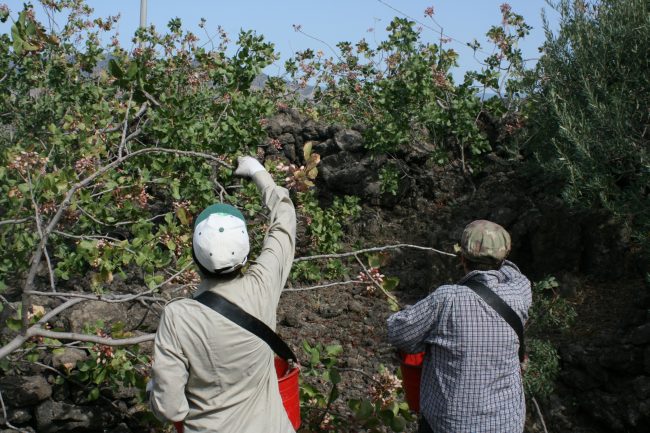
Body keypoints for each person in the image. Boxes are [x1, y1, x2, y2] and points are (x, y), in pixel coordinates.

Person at [149, 156, 297, 433]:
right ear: (245, 255)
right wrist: (258, 172)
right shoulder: (263, 286)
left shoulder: (178, 316)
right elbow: (284, 221)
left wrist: (155, 390)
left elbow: (170, 408)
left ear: (194, 256)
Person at [387, 220, 532, 433]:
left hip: (450, 426)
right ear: (504, 257)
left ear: (462, 258)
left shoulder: (446, 299)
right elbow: (514, 272)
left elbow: (398, 333)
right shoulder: (520, 292)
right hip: (506, 424)